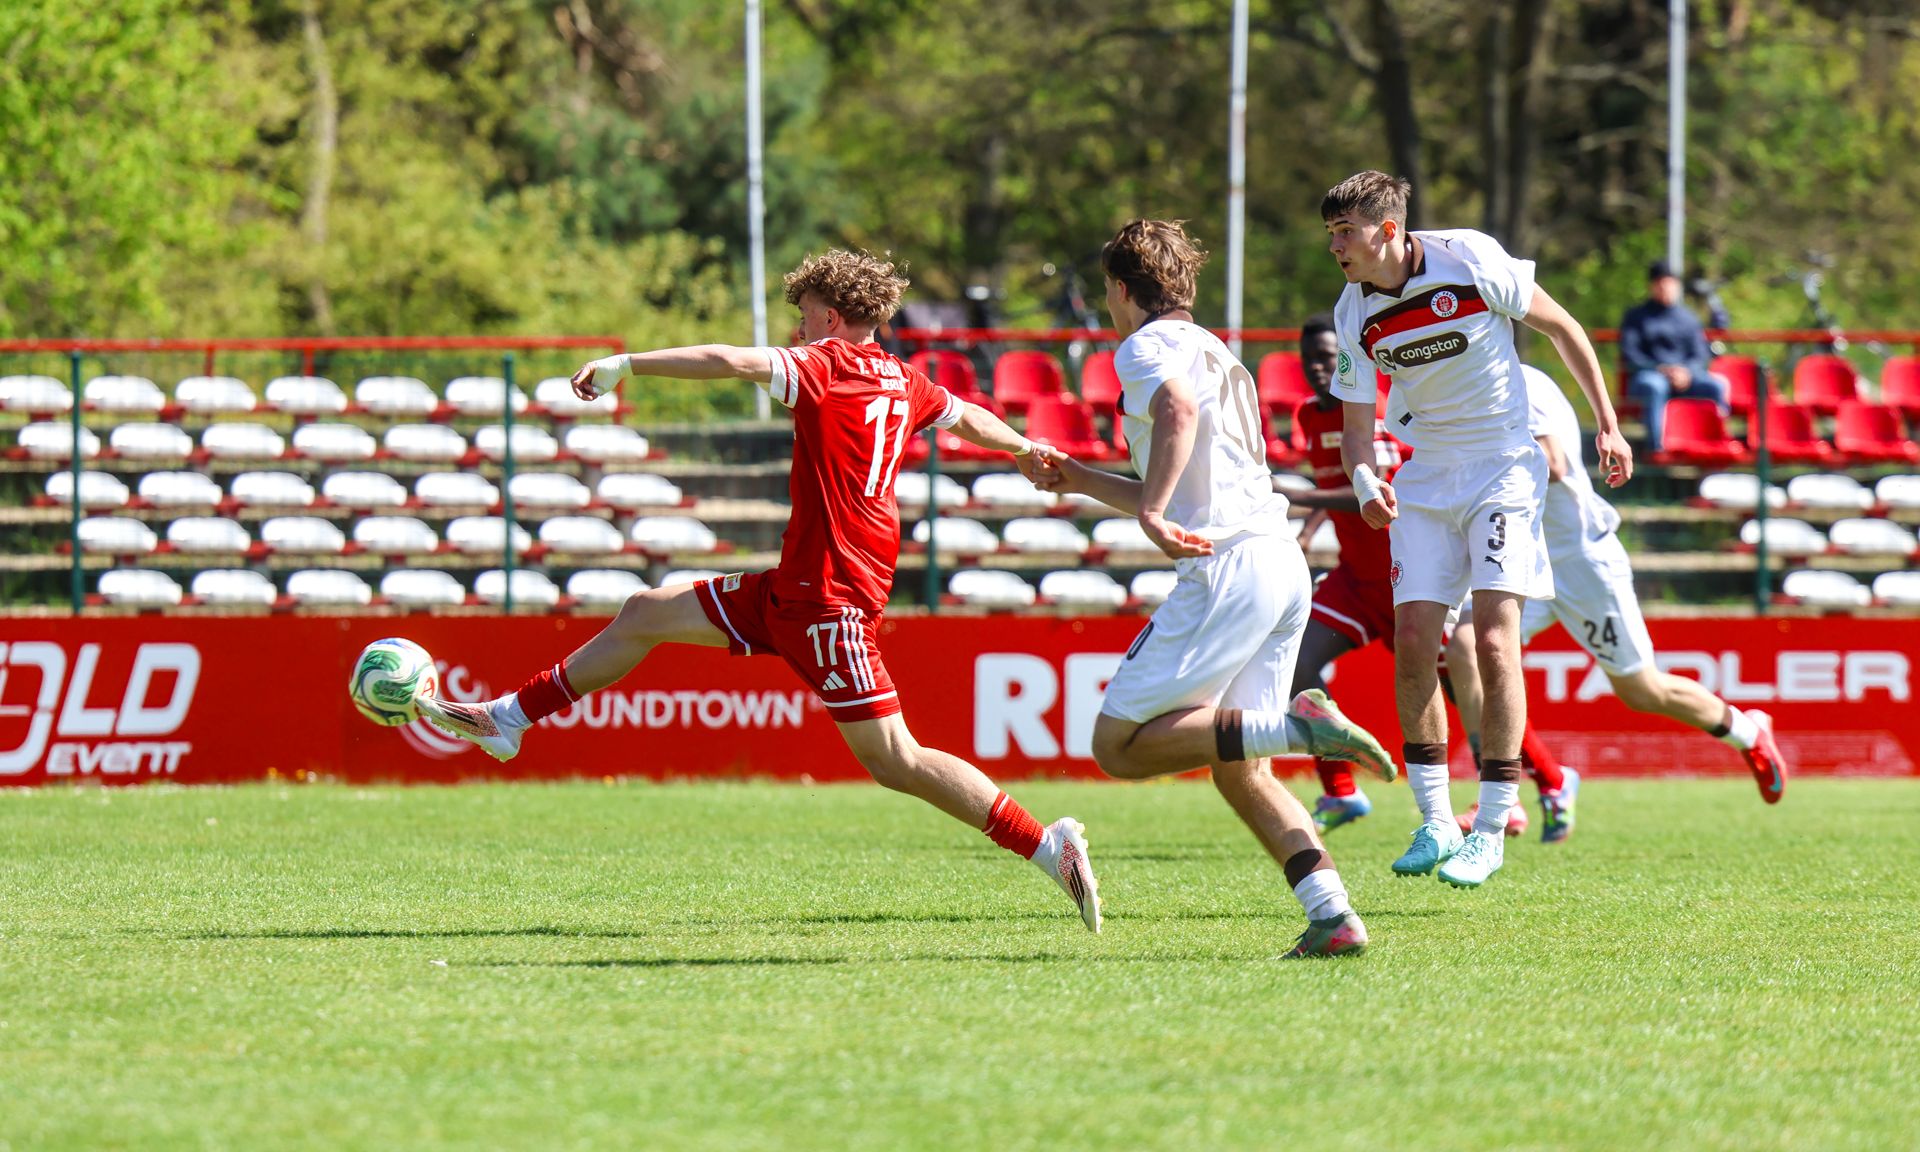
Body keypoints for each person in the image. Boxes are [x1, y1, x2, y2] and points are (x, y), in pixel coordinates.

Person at [411, 249, 1104, 933]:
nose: (796, 332)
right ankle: (509, 719)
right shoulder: (903, 378)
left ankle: (1047, 846)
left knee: (898, 760)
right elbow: (965, 416)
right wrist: (1020, 447)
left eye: (804, 317)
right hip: (793, 591)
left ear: (831, 317)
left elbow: (729, 361)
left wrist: (628, 364)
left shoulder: (824, 364)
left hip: (829, 600)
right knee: (645, 611)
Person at [1031, 220, 1396, 958]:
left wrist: (1157, 509)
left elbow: (1176, 416)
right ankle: (1333, 915)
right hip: (1279, 563)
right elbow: (1185, 471)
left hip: (1228, 567)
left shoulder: (1144, 346)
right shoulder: (1217, 352)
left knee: (1117, 747)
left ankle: (1303, 731)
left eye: (1107, 291)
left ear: (1127, 292)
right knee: (1240, 771)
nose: (1107, 306)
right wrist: (1079, 479)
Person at [1322, 170, 1633, 888]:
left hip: (1503, 467)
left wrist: (1607, 427)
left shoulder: (1471, 259)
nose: (1336, 246)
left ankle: (1491, 825)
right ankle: (1434, 822)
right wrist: (1367, 481)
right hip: (1427, 479)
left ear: (1389, 230)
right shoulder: (1351, 313)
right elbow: (1356, 428)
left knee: (1492, 639)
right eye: (1331, 234)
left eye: (1346, 232)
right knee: (1413, 647)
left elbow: (1563, 328)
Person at [1442, 364, 1787, 830]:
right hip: (1525, 559)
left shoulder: (1519, 380)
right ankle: (1500, 796)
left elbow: (1552, 461)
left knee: (1642, 690)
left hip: (1581, 561)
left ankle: (1750, 733)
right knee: (1465, 647)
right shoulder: (1462, 383)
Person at [1283, 317, 1553, 837]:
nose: (1318, 368)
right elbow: (1336, 483)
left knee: (1469, 688)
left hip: (1410, 575)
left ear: (1346, 361)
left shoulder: (1373, 409)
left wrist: (1300, 498)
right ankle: (1340, 791)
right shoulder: (1307, 416)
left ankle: (1545, 778)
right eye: (1308, 358)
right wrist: (1312, 523)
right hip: (1357, 582)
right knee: (1295, 663)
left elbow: (1379, 490)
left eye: (1327, 356)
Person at [1620, 260, 1730, 450]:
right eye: (1661, 283)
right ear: (1652, 286)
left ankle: (1715, 443)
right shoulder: (1636, 317)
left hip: (1685, 377)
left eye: (1670, 282)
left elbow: (1699, 354)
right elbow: (1630, 353)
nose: (1665, 288)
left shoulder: (1688, 318)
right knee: (1655, 386)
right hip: (1650, 375)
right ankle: (1656, 447)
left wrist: (1686, 372)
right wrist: (1660, 369)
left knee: (1715, 387)